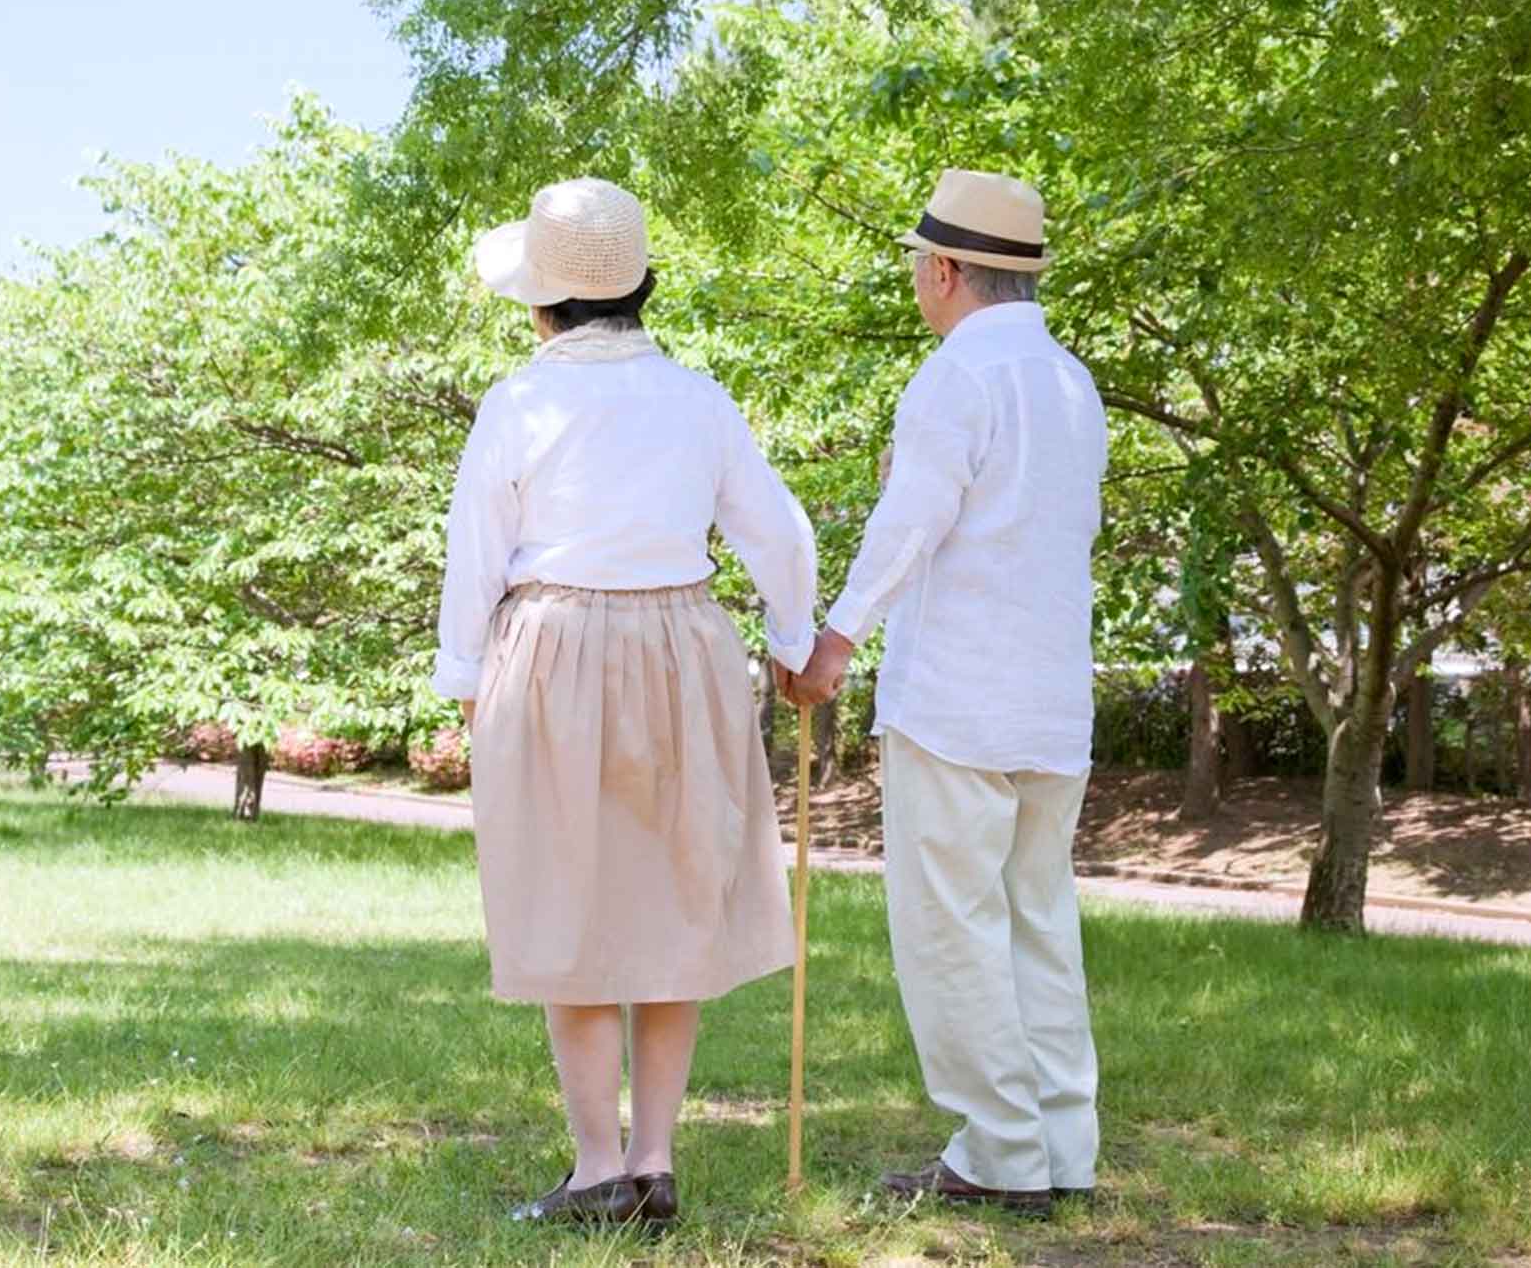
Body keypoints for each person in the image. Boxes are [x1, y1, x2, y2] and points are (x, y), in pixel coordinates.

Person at [432, 177, 816, 1227]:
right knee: (672, 894)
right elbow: (778, 533)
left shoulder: (521, 402)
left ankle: (601, 1165)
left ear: (539, 302)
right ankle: (650, 1159)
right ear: (640, 287)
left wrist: (463, 681)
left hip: (552, 644)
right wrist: (793, 641)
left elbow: (475, 554)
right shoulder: (696, 398)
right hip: (680, 643)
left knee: (571, 902)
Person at [783, 169, 1109, 1216]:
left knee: (952, 926)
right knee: (1036, 921)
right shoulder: (1070, 383)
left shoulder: (955, 378)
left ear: (943, 272)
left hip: (958, 699)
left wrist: (835, 638)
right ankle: (1062, 1143)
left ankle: (1002, 1150)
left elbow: (910, 522)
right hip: (1050, 700)